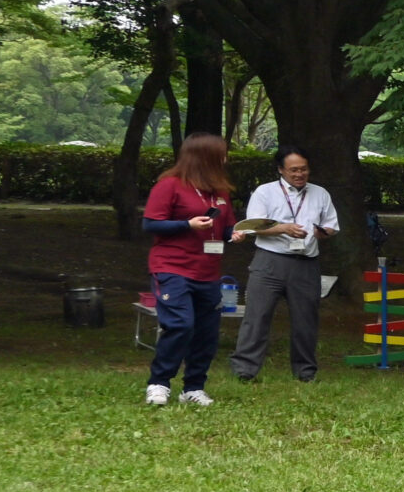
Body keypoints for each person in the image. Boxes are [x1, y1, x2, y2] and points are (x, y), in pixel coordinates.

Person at [140, 132, 236, 407]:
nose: (226, 159)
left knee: (207, 331)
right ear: (205, 157)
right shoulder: (169, 185)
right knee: (180, 324)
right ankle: (159, 383)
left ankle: (193, 387)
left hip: (208, 271)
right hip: (172, 267)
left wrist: (236, 233)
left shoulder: (220, 191)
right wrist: (187, 225)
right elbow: (151, 224)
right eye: (222, 154)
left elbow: (226, 227)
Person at [231, 147, 340, 383]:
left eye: (304, 169)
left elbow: (331, 225)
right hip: (269, 260)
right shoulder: (265, 192)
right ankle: (245, 371)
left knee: (306, 320)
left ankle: (305, 372)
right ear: (281, 170)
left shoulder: (320, 193)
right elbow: (251, 227)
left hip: (306, 263)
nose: (299, 174)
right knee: (257, 316)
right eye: (294, 170)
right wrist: (283, 227)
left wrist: (323, 232)